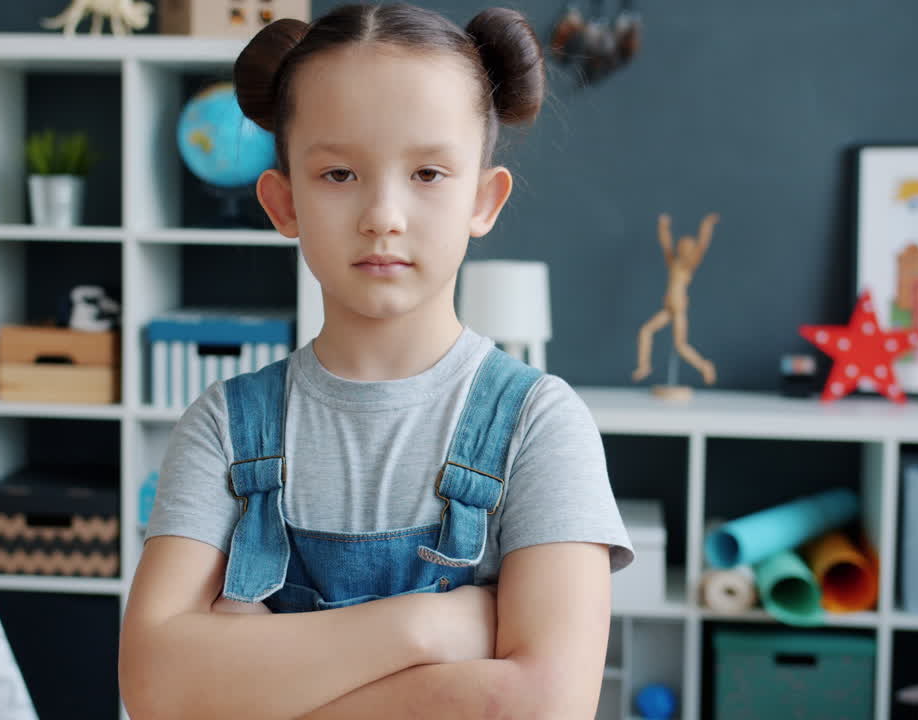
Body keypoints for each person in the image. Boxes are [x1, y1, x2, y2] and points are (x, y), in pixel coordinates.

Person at [120, 4, 634, 719]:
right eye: (338, 174)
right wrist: (430, 628)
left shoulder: (538, 425)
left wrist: (252, 680)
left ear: (483, 199)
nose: (382, 214)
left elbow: (540, 708)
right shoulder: (225, 428)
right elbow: (154, 689)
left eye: (427, 172)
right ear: (283, 201)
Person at [632, 212, 719, 386]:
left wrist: (706, 226)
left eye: (686, 246)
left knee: (680, 345)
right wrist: (663, 227)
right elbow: (665, 243)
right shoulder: (674, 264)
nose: (681, 248)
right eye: (681, 245)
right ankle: (644, 365)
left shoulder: (689, 266)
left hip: (678, 309)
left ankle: (704, 365)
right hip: (668, 308)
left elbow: (702, 244)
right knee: (645, 330)